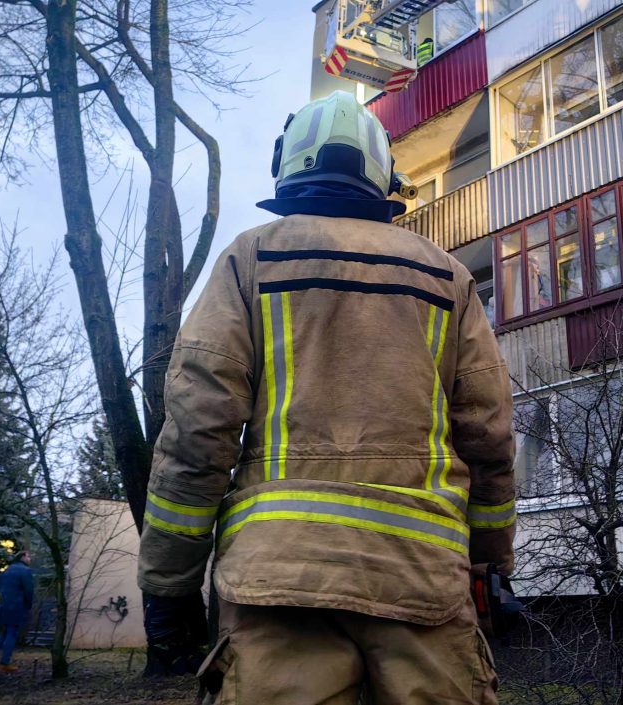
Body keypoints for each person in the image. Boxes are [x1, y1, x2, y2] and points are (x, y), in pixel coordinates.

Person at [137, 90, 516, 704]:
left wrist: (168, 583)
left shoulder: (251, 258)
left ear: (287, 166)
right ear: (382, 175)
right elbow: (489, 433)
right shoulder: (448, 276)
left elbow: (197, 427)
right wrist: (489, 563)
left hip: (277, 582)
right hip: (423, 581)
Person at [0, 550, 34, 673]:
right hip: (17, 606)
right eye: (28, 556)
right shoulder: (25, 571)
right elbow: (28, 591)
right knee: (12, 633)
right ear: (22, 557)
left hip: (3, 605)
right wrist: (28, 605)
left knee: (4, 632)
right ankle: (5, 662)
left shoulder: (6, 570)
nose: (30, 559)